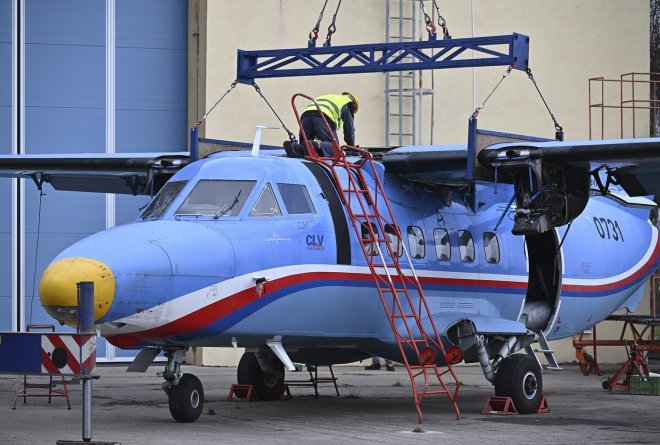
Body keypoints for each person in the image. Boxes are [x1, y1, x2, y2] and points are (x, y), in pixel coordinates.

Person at [299, 91, 359, 157]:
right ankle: (316, 145)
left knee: (305, 146)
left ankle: (295, 147)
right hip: (322, 116)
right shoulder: (348, 102)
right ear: (354, 104)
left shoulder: (330, 97)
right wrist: (352, 148)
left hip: (305, 116)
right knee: (335, 149)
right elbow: (349, 129)